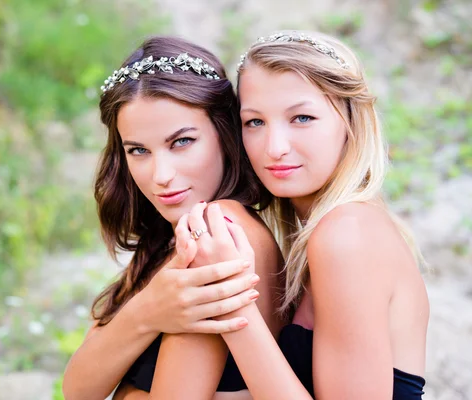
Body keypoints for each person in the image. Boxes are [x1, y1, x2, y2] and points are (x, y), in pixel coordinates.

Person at [172, 31, 429, 399]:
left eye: (302, 118)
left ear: (350, 122)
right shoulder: (323, 234)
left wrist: (230, 302)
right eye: (255, 122)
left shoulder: (347, 235)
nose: (274, 148)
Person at [62, 36, 286, 400]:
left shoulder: (216, 234)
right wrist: (148, 310)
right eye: (138, 150)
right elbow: (78, 389)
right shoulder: (169, 240)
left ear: (224, 133)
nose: (161, 174)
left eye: (181, 142)